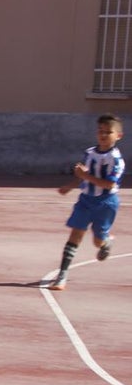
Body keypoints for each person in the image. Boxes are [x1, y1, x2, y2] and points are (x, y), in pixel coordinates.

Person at [48, 114, 124, 291]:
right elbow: (83, 174)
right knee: (76, 235)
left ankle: (106, 241)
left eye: (108, 132)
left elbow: (109, 184)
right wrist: (71, 185)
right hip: (86, 200)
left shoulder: (116, 160)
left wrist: (84, 176)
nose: (103, 135)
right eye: (100, 131)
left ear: (118, 136)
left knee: (97, 241)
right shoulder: (89, 153)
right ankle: (62, 276)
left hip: (106, 203)